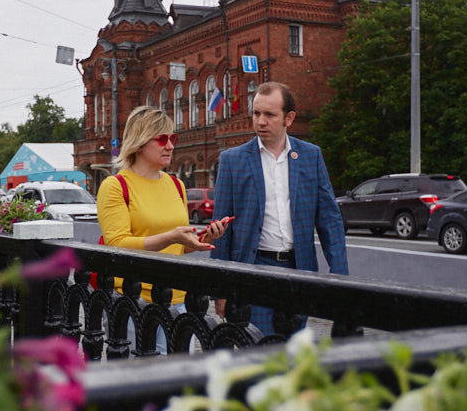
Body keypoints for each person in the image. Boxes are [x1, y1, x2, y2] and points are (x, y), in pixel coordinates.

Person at [210, 81, 349, 337]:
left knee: (293, 353)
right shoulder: (233, 160)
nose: (260, 121)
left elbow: (330, 220)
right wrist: (221, 289)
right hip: (253, 272)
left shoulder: (310, 156)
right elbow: (222, 229)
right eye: (256, 114)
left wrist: (340, 278)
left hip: (298, 272)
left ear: (289, 118)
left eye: (269, 115)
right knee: (260, 352)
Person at [97, 106, 229, 351]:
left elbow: (177, 248)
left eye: (172, 138)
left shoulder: (176, 185)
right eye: (162, 139)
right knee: (143, 384)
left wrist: (202, 239)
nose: (170, 145)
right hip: (135, 302)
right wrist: (171, 236)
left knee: (177, 382)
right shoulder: (115, 186)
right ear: (138, 143)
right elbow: (117, 245)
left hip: (178, 301)